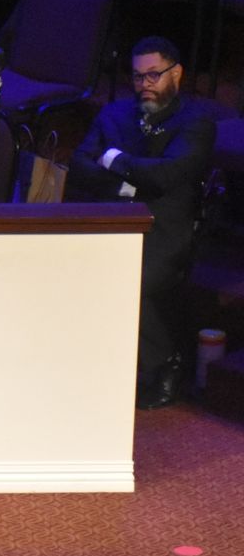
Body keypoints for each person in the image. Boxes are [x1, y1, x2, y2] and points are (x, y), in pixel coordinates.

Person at [67, 37, 214, 409]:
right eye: (137, 77)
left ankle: (163, 365)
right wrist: (128, 182)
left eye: (153, 75)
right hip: (112, 219)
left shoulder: (195, 121)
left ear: (176, 74)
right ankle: (103, 363)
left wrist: (113, 159)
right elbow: (80, 164)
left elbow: (168, 176)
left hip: (167, 227)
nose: (145, 84)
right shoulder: (115, 114)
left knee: (139, 280)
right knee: (78, 272)